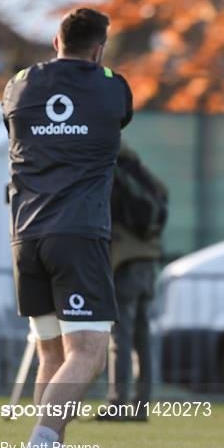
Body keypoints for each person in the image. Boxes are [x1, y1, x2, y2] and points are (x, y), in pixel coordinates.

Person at [2, 8, 133, 448]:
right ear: (99, 47)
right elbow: (118, 110)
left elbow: (13, 112)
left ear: (56, 39)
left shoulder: (17, 85)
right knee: (89, 353)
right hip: (77, 234)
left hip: (25, 236)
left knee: (52, 355)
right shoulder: (111, 85)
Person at [99, 144, 168, 421]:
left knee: (120, 336)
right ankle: (141, 406)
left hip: (125, 261)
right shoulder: (142, 174)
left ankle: (117, 403)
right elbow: (164, 194)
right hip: (148, 260)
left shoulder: (112, 171)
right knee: (142, 336)